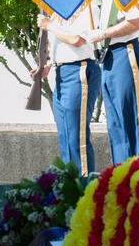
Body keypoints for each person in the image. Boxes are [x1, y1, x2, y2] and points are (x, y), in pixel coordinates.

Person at [88, 0, 139, 163]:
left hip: (125, 52)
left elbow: (135, 22)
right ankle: (121, 174)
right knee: (116, 126)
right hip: (108, 57)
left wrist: (104, 34)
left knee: (132, 120)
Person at [35, 10, 101, 175]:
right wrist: (48, 64)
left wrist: (49, 25)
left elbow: (76, 40)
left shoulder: (82, 6)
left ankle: (84, 188)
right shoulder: (57, 13)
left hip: (80, 69)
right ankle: (72, 186)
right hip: (61, 73)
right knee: (65, 138)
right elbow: (58, 47)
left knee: (76, 137)